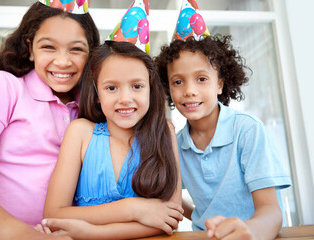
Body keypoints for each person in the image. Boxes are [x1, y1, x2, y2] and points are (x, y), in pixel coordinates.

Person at [0, 1, 99, 239]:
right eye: (49, 47)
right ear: (30, 48)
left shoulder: (93, 106)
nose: (63, 61)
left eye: (76, 49)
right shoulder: (3, 86)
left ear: (91, 52)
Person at [40, 40, 183, 239]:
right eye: (111, 88)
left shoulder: (163, 131)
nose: (125, 98)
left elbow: (171, 217)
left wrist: (94, 232)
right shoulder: (81, 133)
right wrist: (132, 208)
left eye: (137, 86)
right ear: (97, 93)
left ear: (150, 89)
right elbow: (53, 214)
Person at [154, 35, 292, 240]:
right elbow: (169, 197)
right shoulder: (176, 143)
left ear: (220, 84)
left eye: (201, 79)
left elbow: (271, 212)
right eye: (178, 82)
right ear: (168, 88)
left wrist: (251, 231)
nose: (189, 91)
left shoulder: (247, 130)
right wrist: (200, 216)